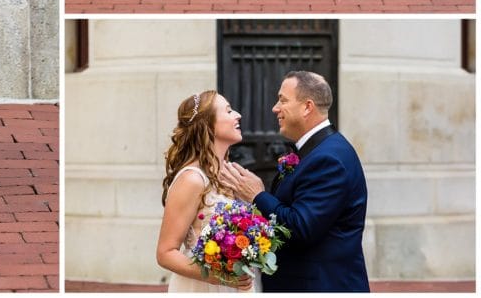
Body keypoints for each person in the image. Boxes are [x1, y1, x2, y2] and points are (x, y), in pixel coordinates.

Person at [220, 71, 369, 292]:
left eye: (283, 100)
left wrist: (257, 195)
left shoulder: (329, 159)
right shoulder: (316, 151)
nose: (275, 108)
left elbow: (300, 229)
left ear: (307, 107)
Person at [156, 90, 257, 292]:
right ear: (208, 125)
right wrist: (218, 277)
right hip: (203, 286)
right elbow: (165, 253)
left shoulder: (231, 174)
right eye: (228, 111)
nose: (238, 114)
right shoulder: (192, 179)